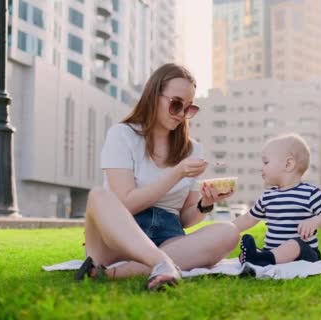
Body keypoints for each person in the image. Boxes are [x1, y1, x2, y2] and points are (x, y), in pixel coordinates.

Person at [75, 63, 239, 290]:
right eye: (176, 104)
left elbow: (185, 220)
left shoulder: (192, 149)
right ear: (154, 96)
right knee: (98, 195)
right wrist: (176, 173)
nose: (182, 114)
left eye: (189, 108)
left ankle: (113, 273)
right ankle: (162, 262)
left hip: (168, 236)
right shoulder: (122, 135)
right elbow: (125, 203)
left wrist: (205, 204)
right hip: (118, 237)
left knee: (228, 232)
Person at [232, 134, 321, 266]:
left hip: (305, 254)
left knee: (294, 243)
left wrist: (316, 220)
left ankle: (261, 259)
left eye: (266, 162)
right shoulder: (267, 196)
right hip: (272, 251)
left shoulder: (310, 193)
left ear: (288, 164)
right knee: (243, 255)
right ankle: (260, 258)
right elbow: (248, 219)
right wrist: (228, 229)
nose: (262, 168)